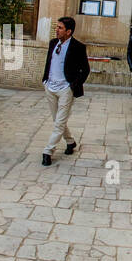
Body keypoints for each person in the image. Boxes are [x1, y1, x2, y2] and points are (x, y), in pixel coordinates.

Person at [39, 16, 89, 165]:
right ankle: (70, 142)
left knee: (59, 122)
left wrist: (72, 86)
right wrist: (45, 81)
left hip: (65, 89)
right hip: (50, 87)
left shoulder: (78, 47)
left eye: (60, 28)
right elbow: (49, 62)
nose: (57, 30)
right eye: (57, 27)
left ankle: (48, 151)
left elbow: (85, 70)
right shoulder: (53, 43)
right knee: (57, 121)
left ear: (69, 31)